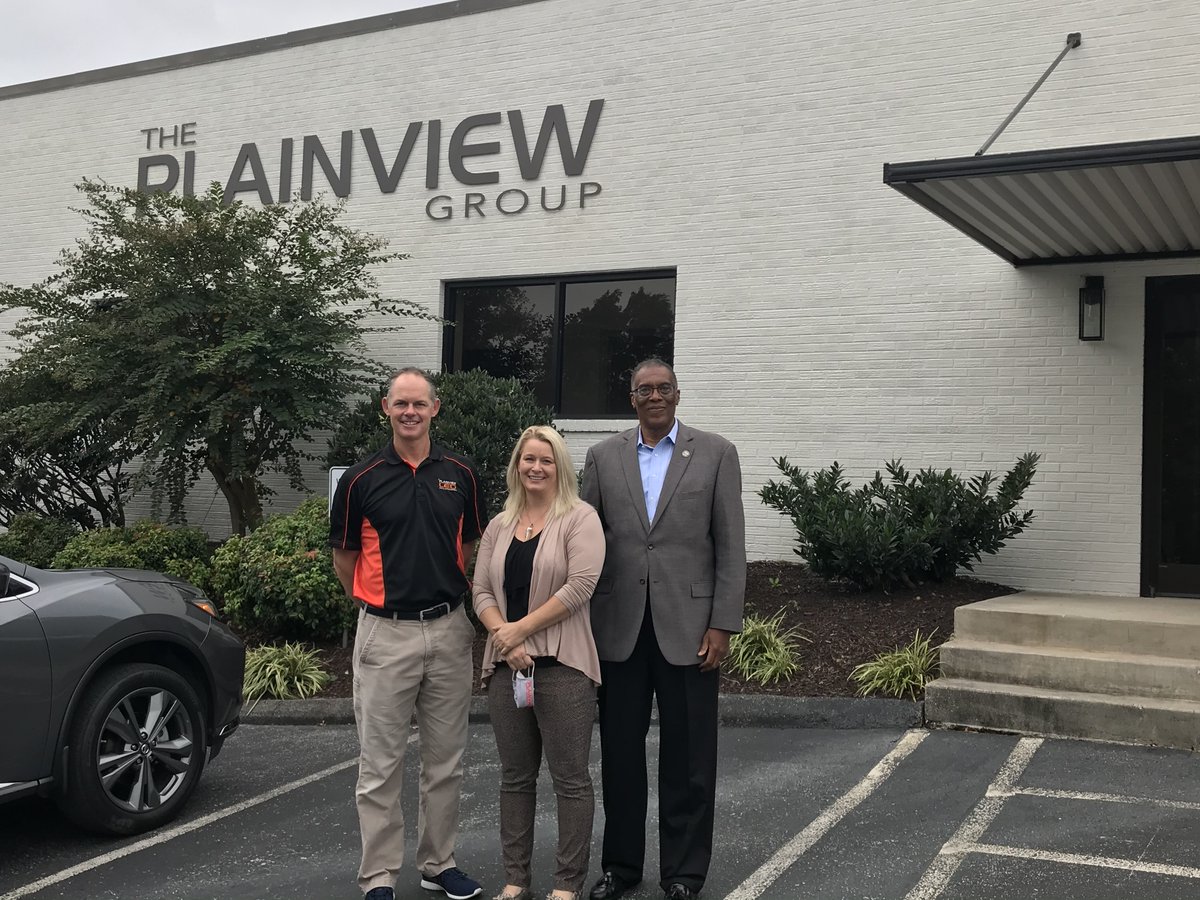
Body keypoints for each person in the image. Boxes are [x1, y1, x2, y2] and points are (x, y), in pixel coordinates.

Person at [581, 359, 746, 900]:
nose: (654, 396)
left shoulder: (717, 453)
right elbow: (585, 542)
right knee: (621, 756)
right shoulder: (603, 458)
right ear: (631, 399)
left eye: (663, 388)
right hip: (619, 629)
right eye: (643, 389)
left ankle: (683, 873)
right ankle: (621, 868)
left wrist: (723, 623)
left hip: (691, 629)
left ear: (678, 395)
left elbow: (730, 547)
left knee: (690, 759)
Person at [329, 367, 487, 900]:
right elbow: (345, 559)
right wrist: (379, 603)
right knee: (380, 765)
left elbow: (467, 548)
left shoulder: (462, 473)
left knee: (446, 761)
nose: (411, 412)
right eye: (401, 404)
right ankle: (378, 877)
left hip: (449, 630)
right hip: (386, 634)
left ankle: (438, 863)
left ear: (435, 409)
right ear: (386, 408)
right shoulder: (360, 478)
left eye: (420, 404)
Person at [473, 425, 606, 900]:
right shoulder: (499, 524)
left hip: (563, 669)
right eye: (528, 459)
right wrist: (504, 640)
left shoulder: (579, 518)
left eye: (546, 460)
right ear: (516, 466)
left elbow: (580, 587)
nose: (535, 467)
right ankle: (516, 879)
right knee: (515, 778)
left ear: (560, 467)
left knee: (570, 780)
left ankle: (567, 884)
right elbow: (481, 591)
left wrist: (519, 629)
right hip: (507, 668)